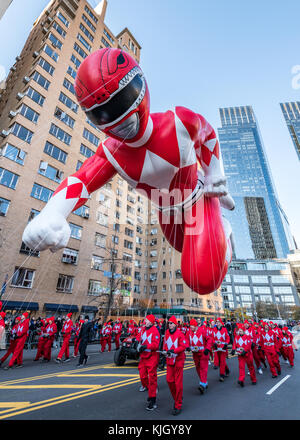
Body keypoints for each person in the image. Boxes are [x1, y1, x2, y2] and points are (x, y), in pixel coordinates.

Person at [22, 48, 235, 300]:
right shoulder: (111, 153)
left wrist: (215, 179)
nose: (120, 119)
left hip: (199, 199)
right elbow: (82, 180)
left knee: (202, 277)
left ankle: (225, 233)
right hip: (166, 210)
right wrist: (53, 212)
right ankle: (220, 233)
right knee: (183, 246)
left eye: (121, 101)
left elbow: (208, 135)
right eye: (103, 112)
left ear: (138, 87)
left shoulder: (179, 122)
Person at [162, 315, 189, 415]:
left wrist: (174, 350)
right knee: (169, 380)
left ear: (175, 324)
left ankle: (178, 405)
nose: (169, 324)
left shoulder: (180, 334)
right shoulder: (166, 333)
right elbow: (165, 344)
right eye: (169, 323)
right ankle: (177, 397)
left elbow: (184, 346)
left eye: (171, 323)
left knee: (178, 383)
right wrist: (165, 351)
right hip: (170, 360)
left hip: (178, 360)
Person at [136, 314, 161, 411]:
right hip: (143, 357)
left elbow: (156, 344)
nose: (144, 321)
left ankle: (153, 400)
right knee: (142, 375)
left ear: (151, 321)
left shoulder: (155, 330)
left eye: (146, 320)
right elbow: (139, 337)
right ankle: (150, 390)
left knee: (152, 379)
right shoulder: (142, 329)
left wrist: (146, 346)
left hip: (152, 357)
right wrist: (135, 340)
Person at [188, 318, 213, 394]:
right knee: (198, 368)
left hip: (203, 353)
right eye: (190, 325)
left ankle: (202, 384)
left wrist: (207, 349)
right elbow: (186, 340)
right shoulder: (189, 332)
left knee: (203, 368)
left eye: (192, 326)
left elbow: (209, 340)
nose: (191, 327)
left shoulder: (202, 331)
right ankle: (204, 381)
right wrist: (187, 347)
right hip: (195, 354)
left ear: (195, 326)